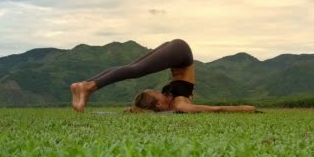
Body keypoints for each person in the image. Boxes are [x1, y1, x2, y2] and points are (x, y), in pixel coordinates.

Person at [70, 39, 256, 113]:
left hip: (180, 54)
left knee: (134, 69)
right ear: (159, 102)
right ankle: (87, 86)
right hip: (180, 53)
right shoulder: (177, 104)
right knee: (135, 70)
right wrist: (250, 109)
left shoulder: (174, 103)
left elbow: (216, 110)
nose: (157, 91)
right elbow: (217, 110)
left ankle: (86, 85)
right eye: (154, 93)